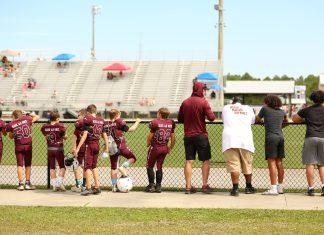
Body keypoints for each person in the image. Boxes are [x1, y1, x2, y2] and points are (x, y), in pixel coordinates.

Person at [178, 81, 216, 194]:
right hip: (201, 135)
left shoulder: (185, 102)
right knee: (206, 160)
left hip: (188, 136)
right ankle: (204, 185)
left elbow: (180, 119)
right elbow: (212, 118)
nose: (204, 91)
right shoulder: (203, 102)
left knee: (189, 161)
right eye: (204, 89)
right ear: (201, 90)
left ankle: (188, 187)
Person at [222, 97, 257, 196]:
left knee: (234, 165)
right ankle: (248, 187)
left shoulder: (226, 108)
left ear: (233, 102)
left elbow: (224, 119)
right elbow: (253, 121)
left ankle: (235, 189)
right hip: (245, 139)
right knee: (247, 163)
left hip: (230, 139)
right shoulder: (248, 108)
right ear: (242, 103)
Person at [292, 90, 324, 196]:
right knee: (322, 164)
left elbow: (295, 119)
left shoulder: (307, 110)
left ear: (312, 99)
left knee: (310, 164)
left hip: (310, 137)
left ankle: (311, 189)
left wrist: (304, 119)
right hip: (323, 138)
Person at [256, 95, 288, 195]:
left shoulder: (265, 109)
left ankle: (273, 188)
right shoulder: (282, 111)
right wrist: (278, 125)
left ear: (268, 102)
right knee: (279, 162)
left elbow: (257, 119)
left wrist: (264, 122)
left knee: (271, 162)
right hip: (280, 137)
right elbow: (286, 122)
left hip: (271, 138)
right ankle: (280, 187)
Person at [75, 104, 109, 196]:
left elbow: (85, 134)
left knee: (87, 167)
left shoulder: (88, 119)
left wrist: (78, 148)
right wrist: (106, 147)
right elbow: (105, 135)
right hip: (97, 144)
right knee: (94, 166)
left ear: (88, 112)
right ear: (96, 111)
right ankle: (97, 187)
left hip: (89, 145)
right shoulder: (101, 120)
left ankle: (88, 188)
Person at [104, 109, 141, 192]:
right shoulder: (119, 121)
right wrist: (137, 121)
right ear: (117, 115)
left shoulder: (106, 124)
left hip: (112, 148)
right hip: (121, 146)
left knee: (113, 168)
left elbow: (104, 136)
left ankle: (114, 186)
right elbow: (131, 129)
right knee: (133, 157)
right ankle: (123, 167)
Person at [6, 110, 39, 190]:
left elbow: (10, 136)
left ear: (14, 116)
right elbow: (37, 117)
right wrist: (27, 113)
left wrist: (14, 130)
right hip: (28, 145)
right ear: (21, 115)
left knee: (19, 165)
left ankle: (20, 184)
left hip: (18, 145)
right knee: (28, 164)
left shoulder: (11, 124)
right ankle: (27, 183)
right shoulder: (27, 119)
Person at [145, 108, 176, 193]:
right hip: (164, 147)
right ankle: (158, 186)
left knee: (149, 166)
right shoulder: (171, 122)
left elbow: (150, 135)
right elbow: (173, 137)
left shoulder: (155, 122)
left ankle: (151, 185)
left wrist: (148, 144)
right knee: (159, 167)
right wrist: (170, 147)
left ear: (159, 114)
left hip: (155, 147)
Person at [41, 111, 67, 191]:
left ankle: (54, 185)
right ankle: (58, 183)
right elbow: (65, 137)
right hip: (58, 149)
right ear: (57, 118)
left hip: (50, 149)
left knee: (52, 167)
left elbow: (46, 136)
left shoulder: (45, 127)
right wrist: (64, 135)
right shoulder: (61, 126)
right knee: (62, 167)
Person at [71, 109, 87, 192]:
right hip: (85, 148)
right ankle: (83, 185)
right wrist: (74, 147)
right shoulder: (87, 125)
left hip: (81, 148)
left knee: (76, 166)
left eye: (79, 115)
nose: (77, 117)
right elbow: (74, 137)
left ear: (83, 116)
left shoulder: (78, 125)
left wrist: (74, 148)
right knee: (83, 166)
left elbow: (74, 137)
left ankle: (78, 184)